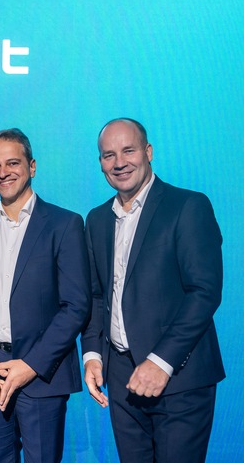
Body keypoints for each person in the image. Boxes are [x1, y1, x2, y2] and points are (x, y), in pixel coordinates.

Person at [81, 118, 225, 462]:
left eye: (128, 151)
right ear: (100, 162)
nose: (119, 163)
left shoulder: (188, 206)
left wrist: (161, 362)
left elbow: (204, 291)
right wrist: (93, 355)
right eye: (109, 155)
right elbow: (97, 296)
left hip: (180, 380)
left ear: (148, 152)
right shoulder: (97, 219)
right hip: (121, 381)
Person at [0, 128, 90, 463]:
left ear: (32, 166)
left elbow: (75, 306)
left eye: (12, 163)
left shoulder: (64, 224)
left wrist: (31, 365)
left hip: (41, 375)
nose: (3, 172)